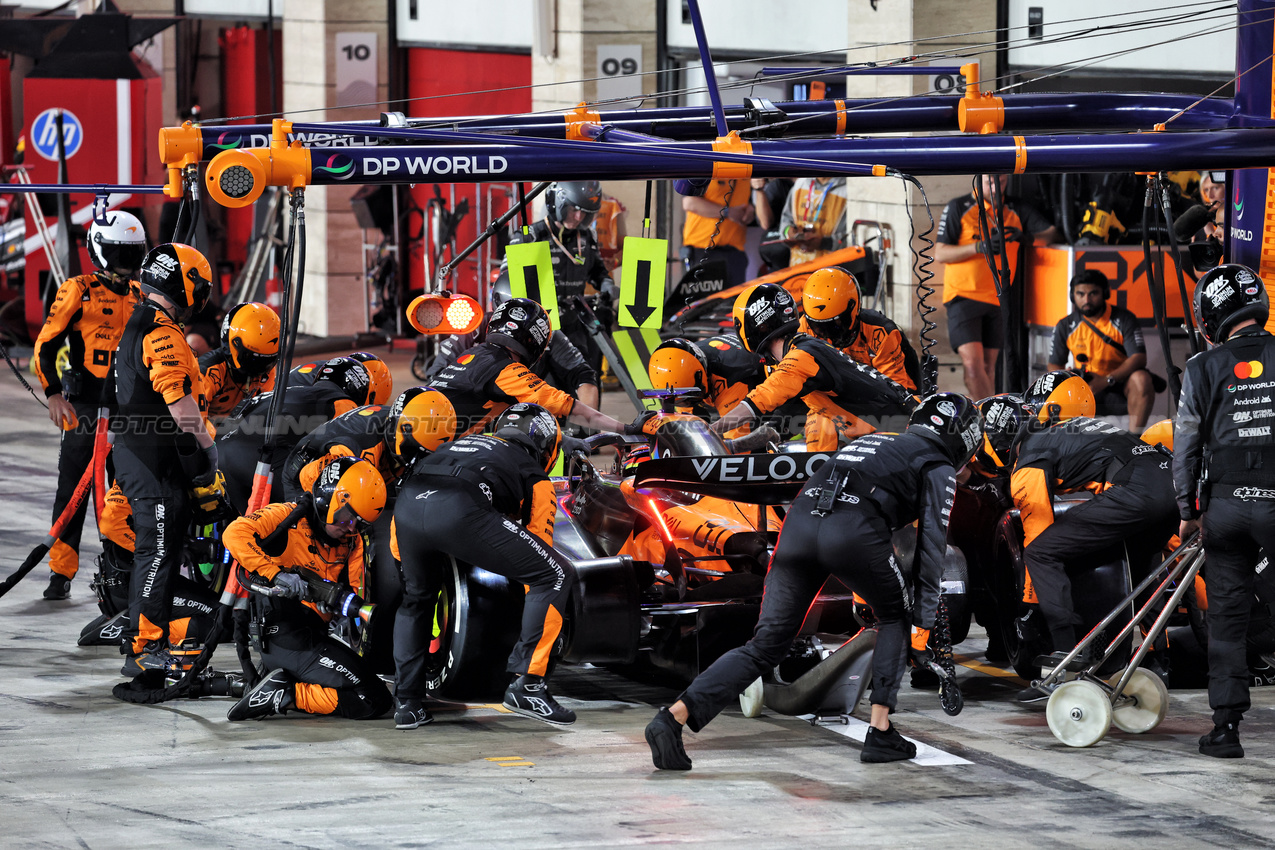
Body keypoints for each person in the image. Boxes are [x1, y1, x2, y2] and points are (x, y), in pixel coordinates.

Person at [644, 394, 981, 769]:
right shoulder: (937, 465)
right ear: (963, 438)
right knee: (894, 618)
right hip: (852, 530)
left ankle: (671, 718)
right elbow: (933, 546)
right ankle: (881, 731)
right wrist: (924, 619)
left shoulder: (876, 440)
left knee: (766, 644)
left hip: (799, 526)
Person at [980, 377, 1177, 702]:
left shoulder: (1028, 461)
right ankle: (1155, 662)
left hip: (1138, 491)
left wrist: (1029, 612)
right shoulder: (1070, 429)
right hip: (1171, 481)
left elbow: (1037, 533)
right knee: (1143, 573)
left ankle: (1067, 659)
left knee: (1042, 553)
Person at [393, 403, 578, 728]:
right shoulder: (533, 473)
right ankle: (528, 685)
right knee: (556, 574)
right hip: (459, 508)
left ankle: (407, 704)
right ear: (547, 445)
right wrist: (549, 624)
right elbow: (539, 555)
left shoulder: (465, 442)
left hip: (408, 505)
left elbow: (398, 548)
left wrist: (408, 571)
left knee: (416, 598)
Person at [1174, 263, 1275, 758]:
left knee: (1228, 620)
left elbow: (1186, 445)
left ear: (1210, 314)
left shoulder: (1200, 368)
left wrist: (1187, 508)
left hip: (1226, 507)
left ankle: (1226, 730)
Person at [111, 243, 218, 678]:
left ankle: (147, 636)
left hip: (146, 456)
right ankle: (144, 648)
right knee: (156, 553)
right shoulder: (160, 332)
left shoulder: (140, 321)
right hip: (151, 461)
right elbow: (180, 408)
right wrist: (210, 447)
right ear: (186, 286)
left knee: (162, 551)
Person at [222, 456, 394, 721]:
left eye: (358, 523)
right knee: (372, 700)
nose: (350, 528)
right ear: (329, 500)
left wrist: (336, 608)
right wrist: (277, 575)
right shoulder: (286, 516)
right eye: (348, 518)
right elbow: (234, 534)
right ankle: (286, 695)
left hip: (313, 635)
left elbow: (356, 590)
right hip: (284, 634)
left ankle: (282, 686)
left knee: (375, 691)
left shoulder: (350, 540)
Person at [32, 211, 145, 600]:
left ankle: (124, 567)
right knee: (73, 491)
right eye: (117, 254)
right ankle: (60, 572)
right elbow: (45, 347)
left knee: (127, 490)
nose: (125, 265)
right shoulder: (76, 290)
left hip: (128, 411)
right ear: (99, 251)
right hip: (83, 407)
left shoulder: (142, 294)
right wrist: (52, 394)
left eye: (132, 255)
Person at [708, 283, 917, 449]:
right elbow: (782, 422)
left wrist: (710, 431)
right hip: (898, 431)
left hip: (899, 436)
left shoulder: (801, 357)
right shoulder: (806, 351)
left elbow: (758, 401)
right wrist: (733, 447)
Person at [427, 297, 627, 438]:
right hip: (435, 442)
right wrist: (626, 428)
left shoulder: (472, 353)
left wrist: (564, 440)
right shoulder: (507, 371)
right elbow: (570, 407)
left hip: (414, 424)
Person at [935, 173, 1057, 400]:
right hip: (964, 296)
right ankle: (986, 418)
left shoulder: (1015, 208)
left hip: (999, 298)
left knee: (989, 367)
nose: (995, 184)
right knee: (972, 364)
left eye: (1000, 179)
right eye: (989, 180)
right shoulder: (959, 206)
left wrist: (1025, 238)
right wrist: (980, 247)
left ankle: (986, 420)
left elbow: (1050, 233)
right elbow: (940, 252)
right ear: (978, 179)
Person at [216, 357, 371, 513]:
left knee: (244, 529)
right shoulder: (341, 402)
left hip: (220, 455)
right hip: (253, 460)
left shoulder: (284, 391)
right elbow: (348, 448)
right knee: (316, 507)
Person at [495, 180, 616, 377]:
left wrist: (606, 283)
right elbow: (506, 282)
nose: (578, 217)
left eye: (585, 212)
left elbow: (598, 271)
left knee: (586, 379)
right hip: (538, 328)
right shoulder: (530, 236)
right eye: (573, 210)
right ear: (558, 204)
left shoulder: (586, 237)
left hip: (575, 323)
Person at [280, 387, 457, 500]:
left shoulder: (405, 418)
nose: (416, 460)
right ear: (398, 431)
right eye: (414, 451)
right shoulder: (357, 448)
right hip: (305, 473)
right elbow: (318, 488)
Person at [1047, 269, 1157, 431]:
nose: (1086, 299)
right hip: (1085, 387)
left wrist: (1106, 380)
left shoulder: (1123, 318)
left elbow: (1138, 357)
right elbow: (1054, 365)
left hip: (1118, 383)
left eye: (1093, 294)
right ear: (1073, 296)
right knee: (1055, 385)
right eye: (1080, 294)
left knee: (1142, 378)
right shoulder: (1065, 325)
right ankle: (1067, 443)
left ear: (1105, 293)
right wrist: (1068, 378)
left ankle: (1135, 441)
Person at [426, 318, 600, 410]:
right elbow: (437, 379)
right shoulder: (473, 327)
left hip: (531, 414)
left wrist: (587, 427)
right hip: (475, 419)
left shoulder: (549, 333)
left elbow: (583, 376)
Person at [800, 266, 920, 391]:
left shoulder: (880, 333)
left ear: (853, 308)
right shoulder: (804, 326)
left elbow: (895, 391)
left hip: (887, 395)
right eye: (818, 326)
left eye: (835, 324)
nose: (826, 334)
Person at [199, 301, 280, 425]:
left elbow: (264, 413)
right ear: (233, 345)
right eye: (252, 358)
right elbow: (192, 424)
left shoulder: (267, 371)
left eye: (266, 361)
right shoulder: (207, 372)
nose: (258, 368)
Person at [681, 178, 754, 287]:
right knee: (706, 303)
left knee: (735, 302)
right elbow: (689, 203)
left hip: (734, 253)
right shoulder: (707, 167)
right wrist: (727, 212)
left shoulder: (747, 171)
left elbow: (752, 205)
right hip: (702, 249)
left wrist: (750, 212)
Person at [778, 176, 848, 267]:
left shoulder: (847, 189)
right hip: (798, 267)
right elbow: (786, 220)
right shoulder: (800, 184)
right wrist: (788, 232)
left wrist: (824, 242)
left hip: (832, 269)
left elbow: (854, 236)